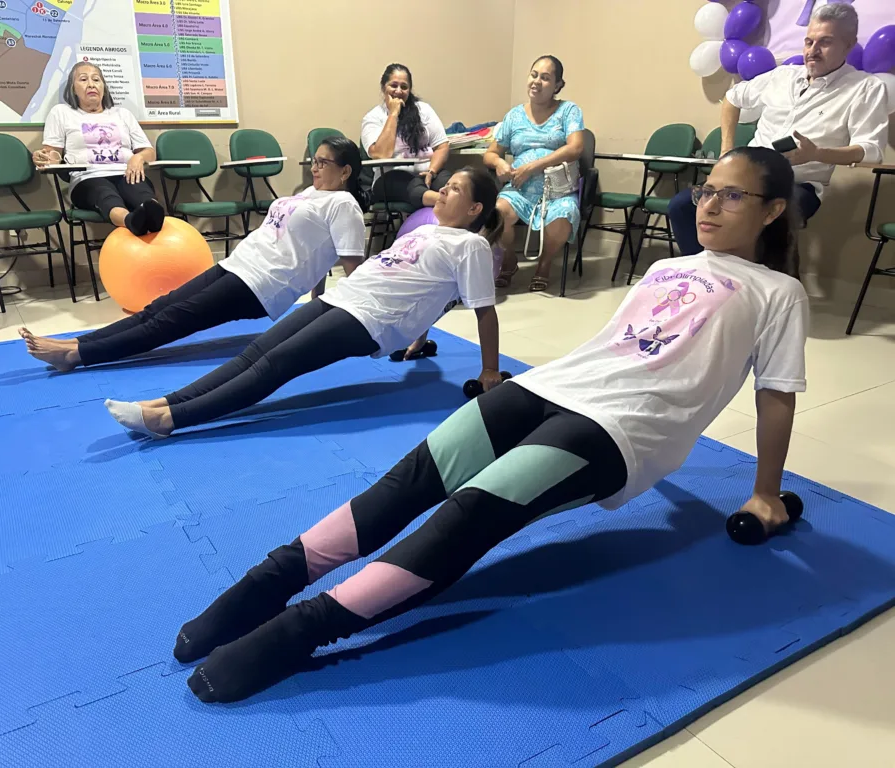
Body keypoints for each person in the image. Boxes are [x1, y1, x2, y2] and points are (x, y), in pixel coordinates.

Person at [172, 147, 810, 704]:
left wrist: (764, 491)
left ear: (774, 210)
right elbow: (621, 345)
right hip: (552, 385)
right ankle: (273, 580)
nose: (709, 205)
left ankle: (303, 629)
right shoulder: (669, 267)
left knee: (472, 511)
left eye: (732, 195)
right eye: (706, 191)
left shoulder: (779, 294)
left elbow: (775, 395)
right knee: (410, 480)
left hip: (622, 428)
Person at [103, 168, 504, 437]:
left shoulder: (470, 245)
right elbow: (419, 286)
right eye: (446, 183)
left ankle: (171, 419)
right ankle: (165, 401)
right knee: (256, 351)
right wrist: (419, 337)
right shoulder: (427, 231)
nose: (444, 189)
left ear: (474, 209)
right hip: (346, 297)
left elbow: (483, 309)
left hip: (370, 319)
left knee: (278, 364)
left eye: (455, 188)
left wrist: (489, 371)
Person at [19, 137, 369, 372]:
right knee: (159, 307)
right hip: (239, 264)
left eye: (324, 162)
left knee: (170, 321)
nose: (315, 166)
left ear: (346, 171)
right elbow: (316, 250)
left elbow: (353, 268)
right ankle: (80, 341)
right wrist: (314, 300)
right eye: (315, 160)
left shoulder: (345, 205)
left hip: (262, 285)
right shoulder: (311, 193)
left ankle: (76, 355)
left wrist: (345, 323)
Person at [668, 3, 890, 257]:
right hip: (745, 176)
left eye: (825, 42)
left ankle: (761, 285)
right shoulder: (783, 76)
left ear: (849, 44)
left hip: (799, 184)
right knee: (683, 205)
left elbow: (870, 151)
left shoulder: (866, 88)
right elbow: (732, 98)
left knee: (760, 217)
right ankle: (708, 275)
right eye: (808, 42)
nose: (812, 51)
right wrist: (726, 151)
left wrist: (817, 153)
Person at [485, 55, 585, 292]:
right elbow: (490, 153)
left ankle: (544, 264)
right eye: (534, 75)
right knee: (498, 214)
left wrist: (534, 166)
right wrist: (499, 162)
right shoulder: (514, 116)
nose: (537, 82)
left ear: (558, 85)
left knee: (565, 215)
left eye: (546, 78)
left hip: (557, 191)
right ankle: (509, 261)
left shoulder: (568, 111)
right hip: (519, 189)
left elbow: (576, 147)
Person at [33, 61, 166, 236]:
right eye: (83, 79)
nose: (91, 84)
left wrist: (138, 158)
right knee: (104, 192)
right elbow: (53, 155)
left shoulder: (122, 114)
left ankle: (154, 218)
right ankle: (131, 221)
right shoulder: (61, 113)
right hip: (87, 177)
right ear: (73, 89)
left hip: (126, 172)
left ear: (103, 87)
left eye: (96, 79)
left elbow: (148, 152)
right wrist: (45, 158)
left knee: (139, 190)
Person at [361, 63, 452, 210]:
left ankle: (454, 201)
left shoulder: (424, 110)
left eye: (404, 87)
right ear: (384, 87)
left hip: (427, 172)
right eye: (393, 85)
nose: (398, 91)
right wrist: (393, 114)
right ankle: (448, 202)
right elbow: (381, 154)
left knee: (451, 183)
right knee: (413, 187)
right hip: (390, 178)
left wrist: (431, 171)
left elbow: (442, 146)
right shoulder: (373, 118)